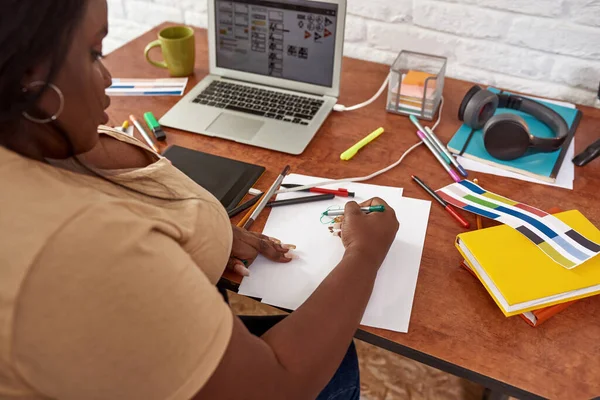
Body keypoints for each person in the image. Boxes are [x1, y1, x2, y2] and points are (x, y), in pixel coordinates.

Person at [0, 0, 400, 399]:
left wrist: (203, 236)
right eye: (93, 53)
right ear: (26, 75)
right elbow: (278, 386)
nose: (107, 78)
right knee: (337, 360)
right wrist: (365, 252)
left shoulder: (26, 149)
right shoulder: (85, 244)